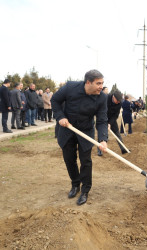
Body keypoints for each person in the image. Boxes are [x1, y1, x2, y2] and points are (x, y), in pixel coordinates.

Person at [51, 69, 108, 206]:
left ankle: (85, 190)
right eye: (98, 83)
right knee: (69, 159)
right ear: (88, 82)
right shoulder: (71, 87)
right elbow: (55, 100)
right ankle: (75, 184)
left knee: (86, 161)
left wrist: (103, 140)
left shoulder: (102, 97)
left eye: (102, 83)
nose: (101, 86)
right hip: (67, 128)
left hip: (85, 130)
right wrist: (60, 117)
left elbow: (102, 120)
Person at [98, 89, 127, 156]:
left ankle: (123, 149)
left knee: (117, 134)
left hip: (112, 120)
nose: (118, 102)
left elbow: (116, 115)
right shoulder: (106, 98)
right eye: (117, 101)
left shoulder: (119, 103)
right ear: (113, 97)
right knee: (102, 134)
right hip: (103, 118)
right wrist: (105, 122)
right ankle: (100, 150)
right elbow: (101, 110)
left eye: (119, 101)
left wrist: (110, 123)